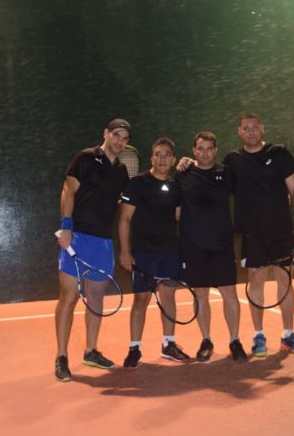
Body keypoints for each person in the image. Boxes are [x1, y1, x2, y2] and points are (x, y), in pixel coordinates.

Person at [222, 112, 294, 357]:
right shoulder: (232, 160)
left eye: (255, 127)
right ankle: (258, 335)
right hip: (252, 233)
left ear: (262, 129)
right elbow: (213, 179)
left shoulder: (279, 153)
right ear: (239, 132)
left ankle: (288, 335)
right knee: (256, 283)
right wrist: (188, 163)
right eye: (246, 128)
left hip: (281, 230)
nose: (251, 131)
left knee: (285, 281)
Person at [54, 118, 131, 382]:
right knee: (69, 297)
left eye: (125, 138)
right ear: (106, 134)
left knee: (96, 297)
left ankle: (91, 351)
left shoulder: (121, 171)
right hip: (77, 238)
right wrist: (66, 227)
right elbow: (68, 191)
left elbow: (122, 204)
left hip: (103, 243)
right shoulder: (85, 158)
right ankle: (61, 357)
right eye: (116, 135)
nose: (120, 141)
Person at [118, 137, 191, 370]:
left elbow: (178, 216)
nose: (162, 158)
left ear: (173, 159)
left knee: (168, 296)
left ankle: (168, 344)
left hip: (169, 252)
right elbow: (125, 218)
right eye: (158, 154)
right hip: (144, 253)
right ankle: (134, 349)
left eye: (167, 154)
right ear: (152, 158)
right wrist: (125, 252)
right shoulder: (137, 184)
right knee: (141, 299)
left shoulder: (176, 186)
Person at [175, 132, 248, 362]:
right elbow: (175, 210)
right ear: (194, 151)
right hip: (193, 245)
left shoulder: (226, 173)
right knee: (200, 294)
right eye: (200, 148)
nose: (205, 153)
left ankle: (235, 340)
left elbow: (249, 191)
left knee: (229, 292)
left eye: (209, 148)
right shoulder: (183, 173)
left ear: (215, 150)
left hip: (222, 245)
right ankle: (206, 340)